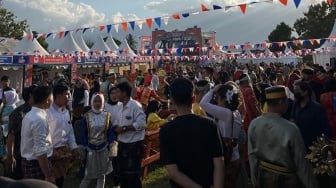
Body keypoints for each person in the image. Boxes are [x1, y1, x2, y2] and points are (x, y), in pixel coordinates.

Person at [248, 86, 318, 188]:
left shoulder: (254, 124)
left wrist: (255, 181)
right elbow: (301, 163)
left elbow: (252, 156)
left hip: (263, 179)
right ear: (281, 102)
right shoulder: (290, 128)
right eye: (286, 100)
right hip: (287, 181)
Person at [160, 78, 224, 188]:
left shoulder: (166, 130)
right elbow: (219, 163)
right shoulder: (210, 125)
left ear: (173, 100)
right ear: (193, 97)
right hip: (209, 183)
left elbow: (173, 173)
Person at [200, 83, 242, 188]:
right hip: (235, 157)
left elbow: (203, 103)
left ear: (224, 99)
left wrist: (212, 91)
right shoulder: (236, 113)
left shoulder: (226, 113)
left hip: (225, 158)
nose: (216, 101)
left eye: (218, 98)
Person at [114, 81, 146, 188]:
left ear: (124, 93)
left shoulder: (135, 106)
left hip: (134, 145)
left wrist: (124, 128)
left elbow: (141, 124)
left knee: (133, 177)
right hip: (122, 144)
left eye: (118, 92)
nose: (115, 95)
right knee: (122, 175)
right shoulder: (119, 106)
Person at [20, 85, 55, 184]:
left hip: (31, 162)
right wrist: (48, 175)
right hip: (37, 164)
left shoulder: (30, 115)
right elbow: (40, 150)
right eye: (52, 97)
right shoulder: (39, 119)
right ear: (48, 100)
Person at [79, 92, 114, 188]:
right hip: (91, 149)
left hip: (103, 148)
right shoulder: (86, 116)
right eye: (95, 101)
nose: (97, 103)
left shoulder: (107, 115)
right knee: (88, 175)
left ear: (103, 102)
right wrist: (83, 149)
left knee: (102, 174)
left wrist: (112, 148)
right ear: (91, 101)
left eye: (100, 101)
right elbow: (83, 134)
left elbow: (110, 132)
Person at [46, 84, 79, 187]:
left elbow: (69, 131)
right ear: (58, 96)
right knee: (49, 181)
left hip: (63, 152)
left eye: (69, 94)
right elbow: (44, 134)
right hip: (50, 152)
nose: (69, 98)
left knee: (60, 180)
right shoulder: (47, 111)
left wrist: (74, 147)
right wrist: (51, 150)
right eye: (67, 95)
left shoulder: (66, 111)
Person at [6, 85, 37, 179]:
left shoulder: (40, 111)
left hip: (34, 155)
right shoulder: (19, 113)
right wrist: (11, 156)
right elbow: (11, 135)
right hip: (19, 155)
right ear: (31, 95)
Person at [104, 86, 122, 188]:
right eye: (112, 93)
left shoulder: (121, 105)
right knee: (113, 157)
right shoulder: (105, 106)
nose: (114, 96)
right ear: (109, 95)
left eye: (116, 93)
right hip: (110, 135)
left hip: (121, 133)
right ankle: (115, 180)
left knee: (118, 158)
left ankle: (117, 180)